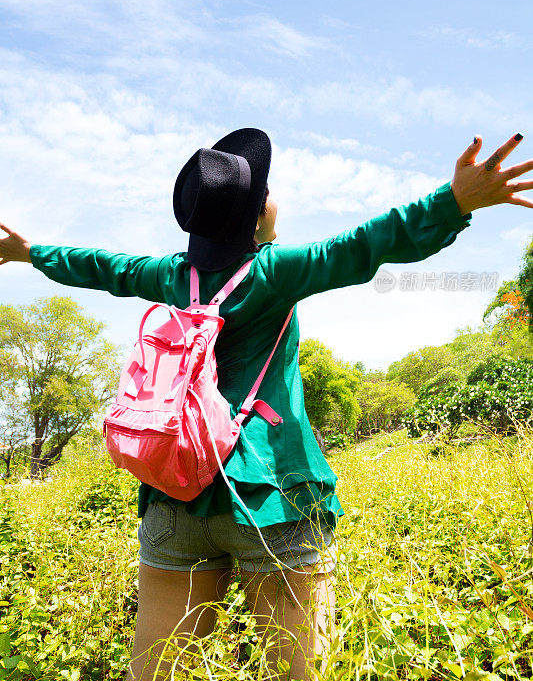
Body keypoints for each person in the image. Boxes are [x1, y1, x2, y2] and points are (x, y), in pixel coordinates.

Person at [1, 128, 532, 681]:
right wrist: (453, 201)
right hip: (270, 497)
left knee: (158, 671)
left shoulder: (166, 275)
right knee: (296, 670)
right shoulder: (273, 271)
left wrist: (28, 252)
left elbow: (101, 266)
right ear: (256, 219)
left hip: (174, 494)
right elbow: (362, 246)